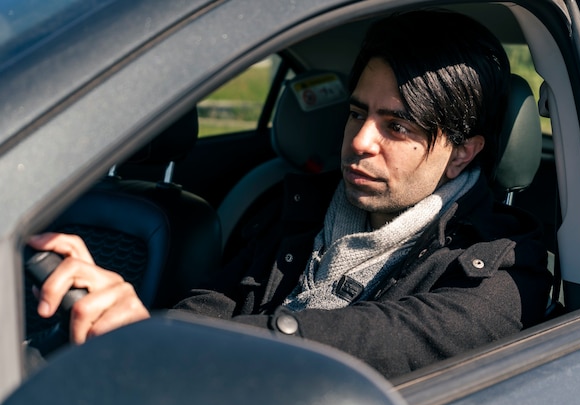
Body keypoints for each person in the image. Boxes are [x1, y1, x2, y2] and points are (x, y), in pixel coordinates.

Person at [29, 10, 553, 379]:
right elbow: (212, 303)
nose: (360, 141)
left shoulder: (503, 271)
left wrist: (167, 345)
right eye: (356, 113)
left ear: (462, 152)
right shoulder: (302, 207)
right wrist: (144, 335)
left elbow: (385, 339)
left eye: (397, 126)